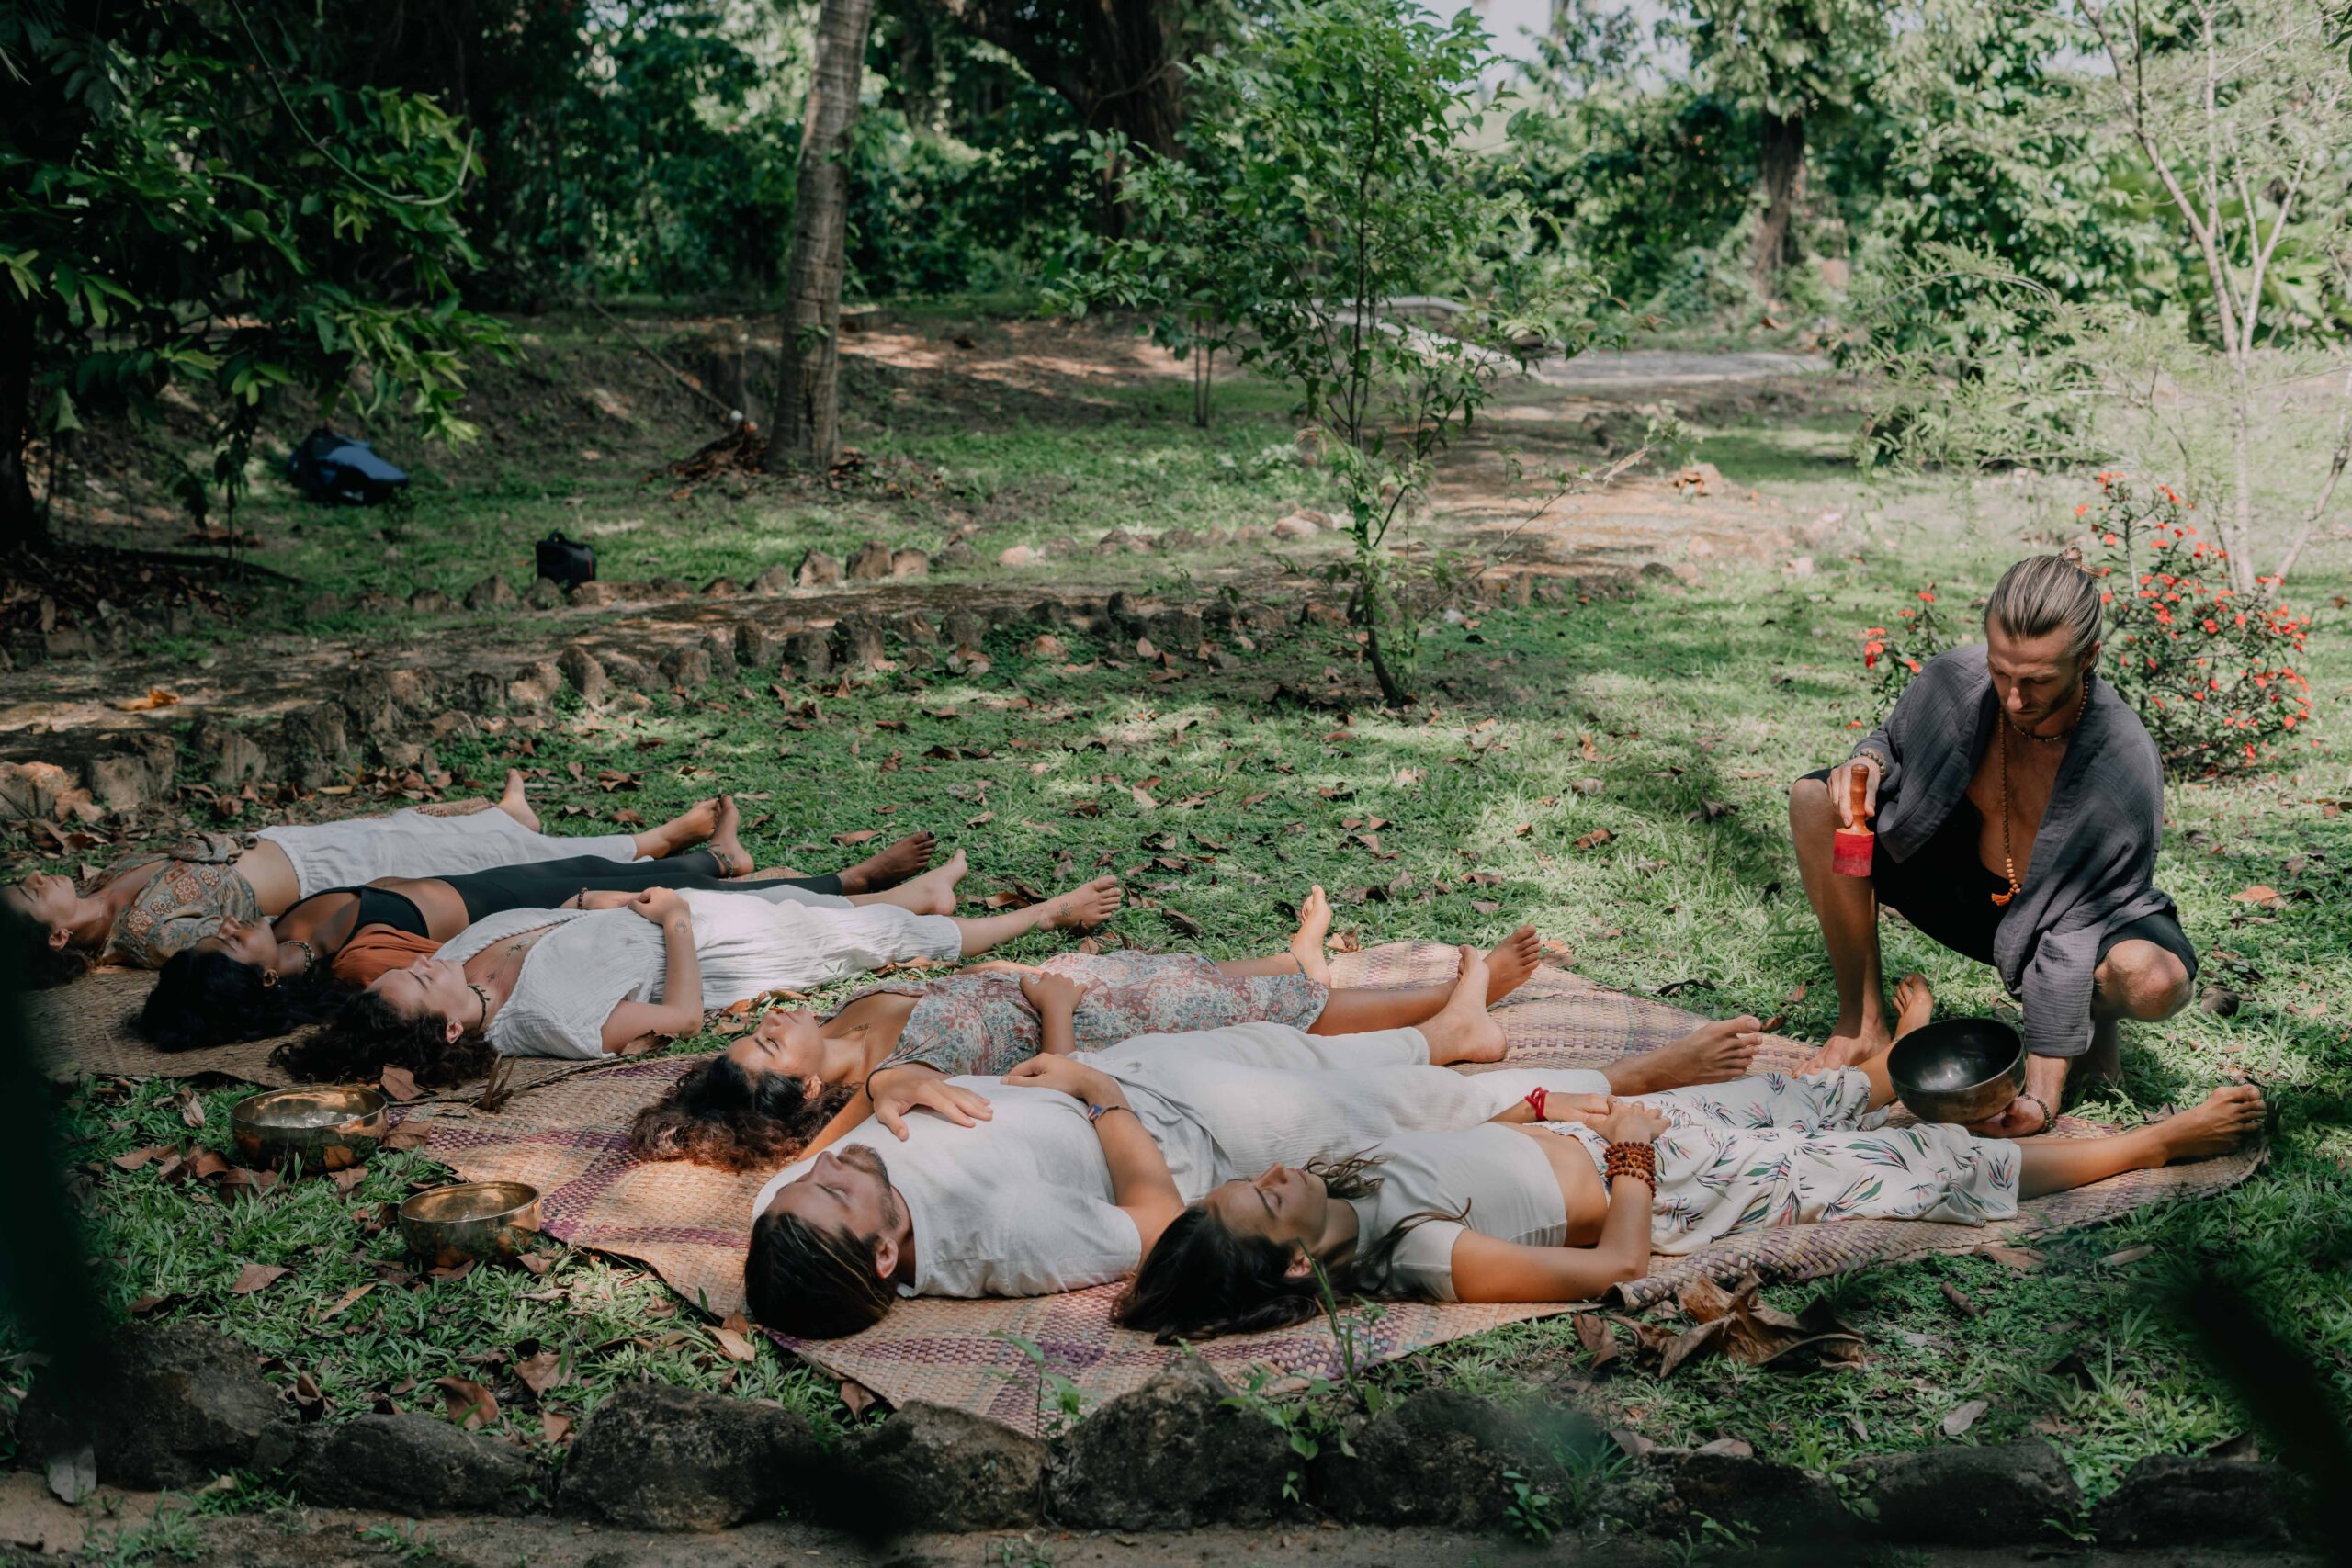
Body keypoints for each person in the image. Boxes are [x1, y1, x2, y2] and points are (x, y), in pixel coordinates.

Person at [1115, 986, 2264, 1340]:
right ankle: (2152, 1142)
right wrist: (1630, 1150)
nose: (1277, 1176)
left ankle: (1908, 1072)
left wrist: (1563, 1103)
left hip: (1630, 1135)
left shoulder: (1351, 1177)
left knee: (1818, 1090)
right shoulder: (1418, 1259)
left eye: (1257, 1177)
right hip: (1677, 1185)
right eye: (1268, 1202)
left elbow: (1478, 1135)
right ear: (1292, 1272)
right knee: (1918, 1174)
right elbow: (1617, 1268)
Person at [743, 947, 1770, 1337]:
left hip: (1140, 1076)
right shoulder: (1000, 1243)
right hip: (1185, 1131)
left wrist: (888, 1078)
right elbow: (1155, 1221)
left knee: (1296, 1047)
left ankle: (1453, 1030)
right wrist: (1100, 1097)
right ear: (885, 1254)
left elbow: (831, 1137)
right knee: (1402, 1119)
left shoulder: (780, 1218)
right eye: (839, 1193)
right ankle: (1619, 1084)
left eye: (813, 1178)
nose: (829, 1167)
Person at [631, 888, 1544, 1170]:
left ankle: (1299, 958)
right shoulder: (906, 1072)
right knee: (1257, 1014)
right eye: (764, 1046)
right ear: (811, 1090)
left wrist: (1007, 976)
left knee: (1198, 974)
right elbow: (1050, 1085)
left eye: (753, 1033)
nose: (771, 1022)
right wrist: (1055, 1004)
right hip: (1096, 1023)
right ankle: (1453, 1015)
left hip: (1078, 982)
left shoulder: (850, 1016)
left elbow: (961, 990)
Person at [1788, 554, 2196, 1136]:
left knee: (2153, 979)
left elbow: (2078, 923)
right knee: (1813, 802)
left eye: (2037, 680)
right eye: (2002, 671)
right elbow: (1890, 741)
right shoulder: (1956, 681)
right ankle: (1862, 1024)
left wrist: (2041, 1093)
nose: (2012, 697)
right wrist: (1867, 764)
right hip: (1974, 892)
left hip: (2079, 915)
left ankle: (2092, 1024)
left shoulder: (2121, 763)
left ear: (2089, 659)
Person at [132, 807, 952, 1053]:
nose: (232, 926)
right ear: (262, 978)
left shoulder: (294, 937)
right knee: (661, 890)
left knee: (653, 879)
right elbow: (424, 962)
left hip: (500, 891)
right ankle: (855, 883)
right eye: (227, 944)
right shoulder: (336, 966)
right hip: (505, 907)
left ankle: (750, 863)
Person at [3, 771, 931, 983]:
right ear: (54, 933)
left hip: (318, 854)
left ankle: (697, 848)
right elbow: (252, 953)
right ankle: (715, 855)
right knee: (537, 866)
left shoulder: (111, 880)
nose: (37, 877)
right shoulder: (152, 938)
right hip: (343, 878)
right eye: (29, 894)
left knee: (537, 858)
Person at [273, 870, 1125, 1086]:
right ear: (450, 1028)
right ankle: (1044, 915)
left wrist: (607, 896)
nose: (423, 961)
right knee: (872, 939)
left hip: (670, 911)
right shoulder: (548, 1023)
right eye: (420, 984)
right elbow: (679, 1018)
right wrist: (675, 920)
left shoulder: (476, 946)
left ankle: (921, 895)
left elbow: (565, 907)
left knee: (810, 899)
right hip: (710, 952)